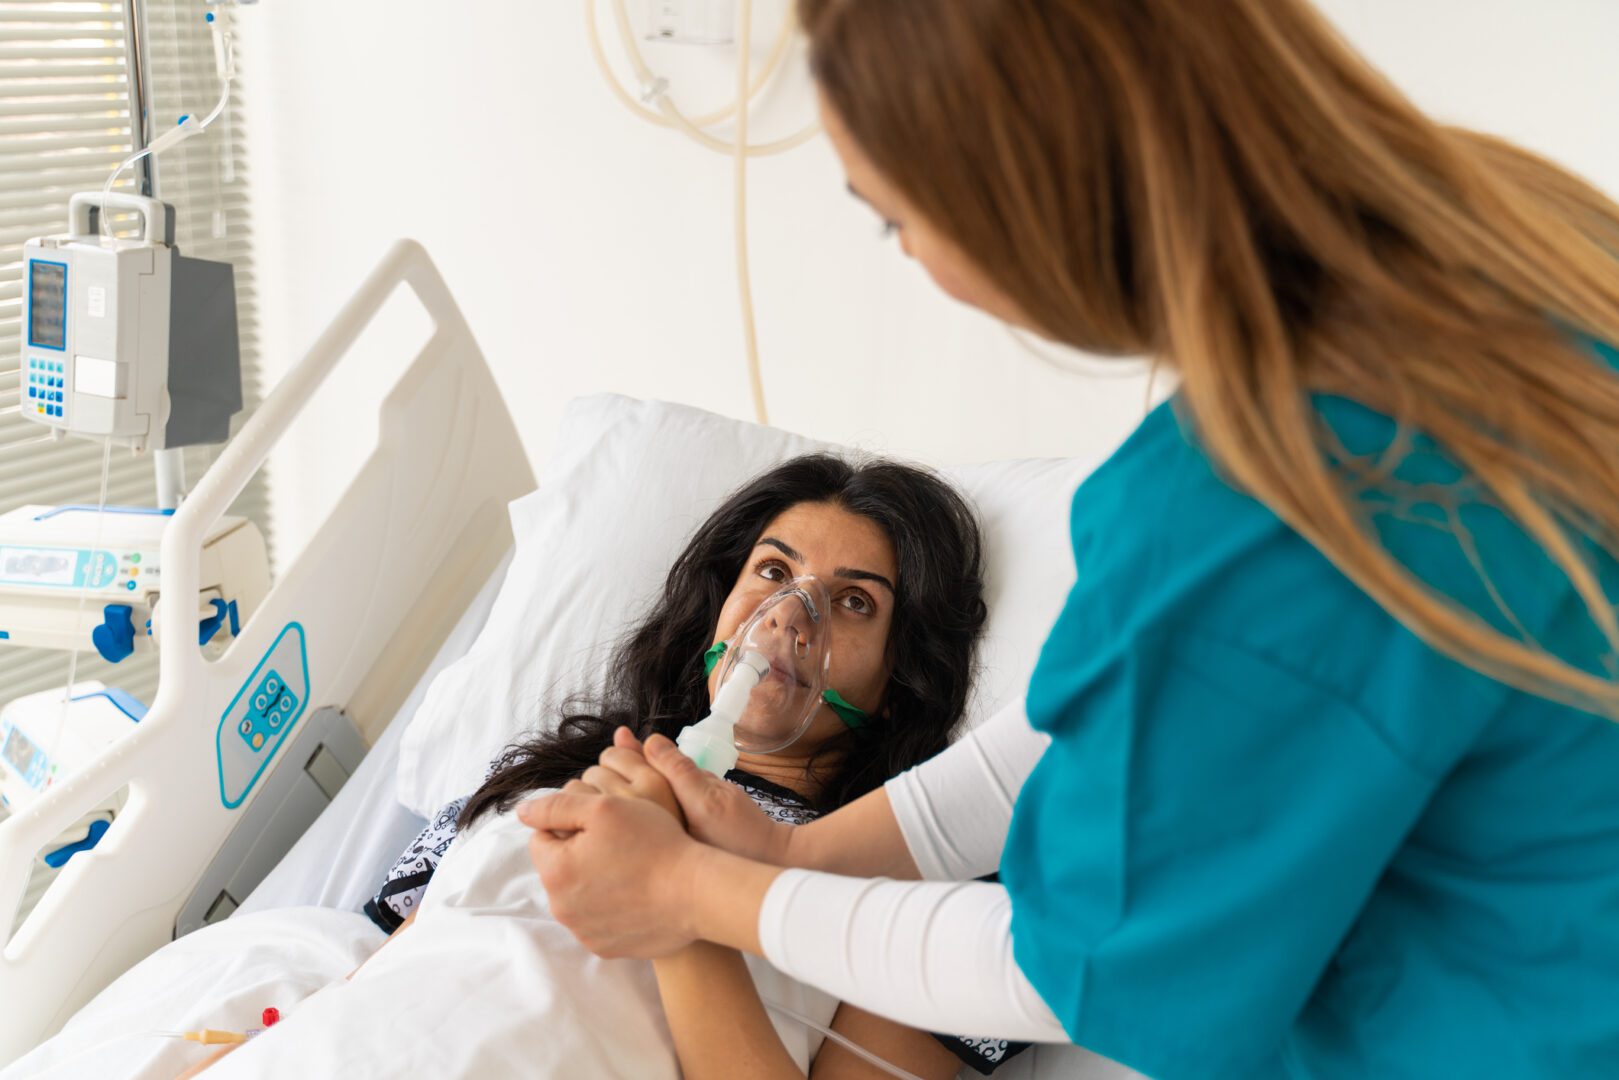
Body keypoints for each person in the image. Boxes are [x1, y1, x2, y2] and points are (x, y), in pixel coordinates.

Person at [519, 1, 1619, 1077]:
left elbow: (1068, 964)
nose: (907, 258)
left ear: (1014, 202)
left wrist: (693, 903)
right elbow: (1080, 726)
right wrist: (796, 857)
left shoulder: (1263, 510)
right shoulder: (1500, 228)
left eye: (890, 218)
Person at [162, 453, 996, 1080]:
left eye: (853, 602)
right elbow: (389, 975)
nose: (788, 617)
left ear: (899, 679)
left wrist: (674, 898)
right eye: (773, 572)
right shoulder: (550, 775)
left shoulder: (910, 890)